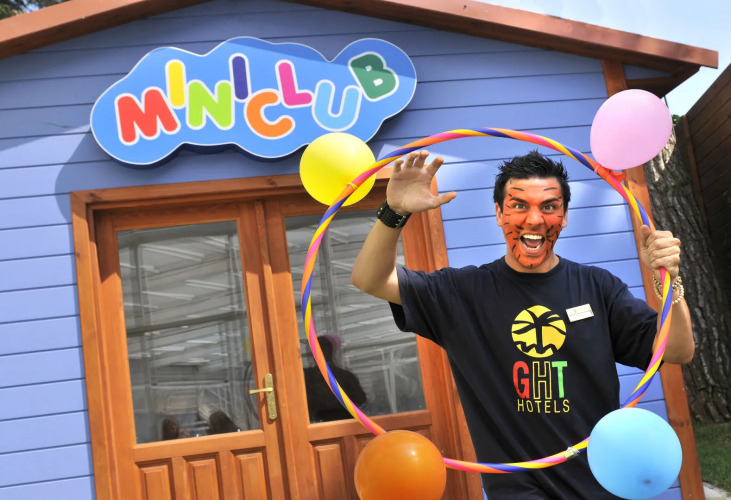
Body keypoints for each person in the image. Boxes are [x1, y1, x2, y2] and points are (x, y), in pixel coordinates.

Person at [350, 150, 694, 499]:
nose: (534, 219)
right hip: (518, 492)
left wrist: (669, 281)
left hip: (602, 485)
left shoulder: (598, 287)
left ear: (564, 216)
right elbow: (369, 279)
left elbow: (678, 351)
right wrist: (394, 212)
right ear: (499, 214)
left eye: (549, 207)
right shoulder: (461, 293)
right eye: (518, 206)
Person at [303, 335, 367, 422]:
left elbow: (361, 401)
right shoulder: (346, 376)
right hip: (341, 424)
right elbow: (361, 402)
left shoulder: (307, 377)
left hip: (321, 425)